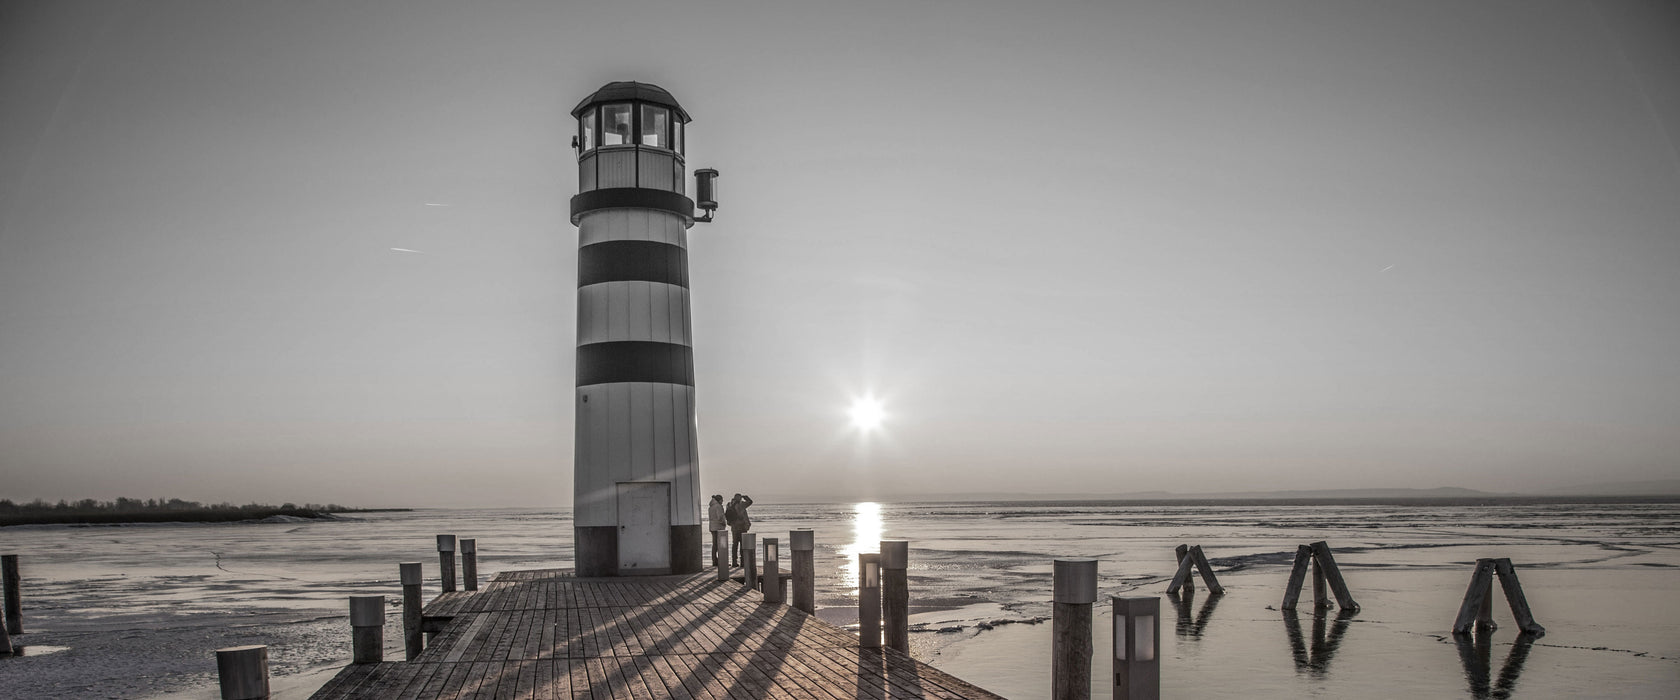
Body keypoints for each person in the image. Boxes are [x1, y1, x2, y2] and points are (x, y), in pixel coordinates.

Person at [725, 493, 754, 567]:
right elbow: (750, 502)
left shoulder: (729, 504)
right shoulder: (742, 505)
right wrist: (746, 497)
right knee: (742, 545)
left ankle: (734, 562)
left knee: (735, 544)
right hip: (742, 527)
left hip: (734, 527)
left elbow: (727, 516)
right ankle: (743, 562)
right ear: (740, 498)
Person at [707, 495, 726, 567]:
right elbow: (720, 517)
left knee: (714, 545)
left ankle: (714, 560)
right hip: (719, 527)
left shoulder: (711, 507)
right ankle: (722, 561)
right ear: (719, 500)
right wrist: (724, 523)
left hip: (712, 527)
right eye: (722, 499)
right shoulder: (718, 506)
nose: (722, 501)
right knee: (721, 545)